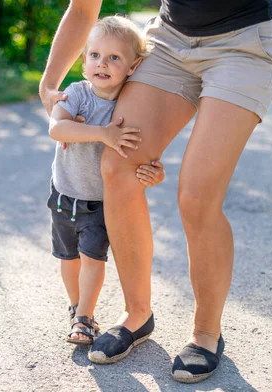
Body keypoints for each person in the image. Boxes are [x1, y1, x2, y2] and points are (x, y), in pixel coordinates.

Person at [40, 0, 272, 383]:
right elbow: (83, 7)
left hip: (244, 44)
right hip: (171, 40)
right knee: (118, 163)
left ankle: (206, 334)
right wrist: (49, 83)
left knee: (197, 196)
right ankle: (136, 313)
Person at [46, 15, 167, 345]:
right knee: (68, 259)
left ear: (132, 66)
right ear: (84, 60)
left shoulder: (130, 107)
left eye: (115, 57)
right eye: (96, 55)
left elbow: (146, 152)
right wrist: (102, 135)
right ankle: (76, 307)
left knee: (91, 259)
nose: (103, 63)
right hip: (64, 195)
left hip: (100, 204)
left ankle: (85, 317)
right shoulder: (77, 95)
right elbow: (57, 128)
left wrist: (154, 172)